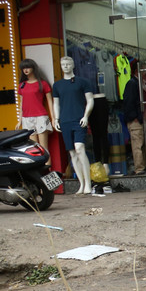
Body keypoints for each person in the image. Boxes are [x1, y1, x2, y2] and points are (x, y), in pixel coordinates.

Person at [52, 56, 94, 194]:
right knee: (72, 153)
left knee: (80, 148)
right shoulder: (57, 85)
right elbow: (56, 104)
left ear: (73, 65)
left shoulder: (83, 82)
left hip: (79, 119)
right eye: (63, 64)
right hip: (64, 121)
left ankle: (88, 183)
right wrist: (56, 119)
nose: (66, 66)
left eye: (68, 64)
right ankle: (81, 184)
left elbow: (90, 100)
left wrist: (86, 116)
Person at [15, 58, 55, 164]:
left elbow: (50, 102)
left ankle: (48, 174)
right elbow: (21, 104)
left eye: (28, 67)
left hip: (41, 117)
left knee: (44, 148)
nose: (25, 70)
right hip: (27, 118)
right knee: (34, 149)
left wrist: (54, 118)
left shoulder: (43, 84)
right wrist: (19, 120)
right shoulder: (22, 85)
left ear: (33, 68)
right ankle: (38, 174)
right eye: (23, 68)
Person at [121, 61, 146, 175]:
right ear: (137, 71)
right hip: (136, 120)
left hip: (142, 119)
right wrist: (134, 117)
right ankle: (139, 168)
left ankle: (143, 166)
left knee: (141, 144)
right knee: (137, 144)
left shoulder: (141, 83)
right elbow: (128, 102)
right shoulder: (132, 84)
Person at [86, 67, 110, 174]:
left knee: (103, 133)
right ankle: (98, 162)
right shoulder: (76, 57)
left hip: (100, 98)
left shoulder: (95, 60)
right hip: (87, 98)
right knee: (95, 135)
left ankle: (105, 163)